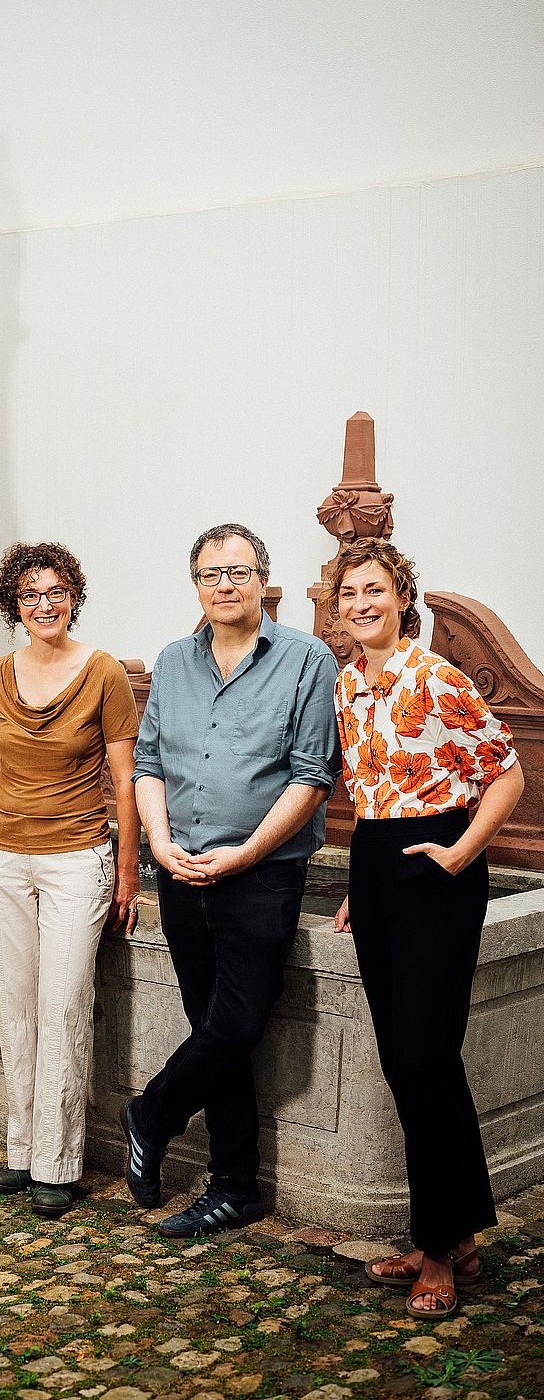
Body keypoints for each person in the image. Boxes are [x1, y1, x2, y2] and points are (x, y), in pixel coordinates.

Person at [325, 537, 524, 1319]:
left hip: (438, 867)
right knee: (415, 1064)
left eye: (374, 589)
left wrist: (463, 852)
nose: (361, 604)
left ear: (403, 597)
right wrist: (357, 884)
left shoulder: (435, 678)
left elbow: (506, 771)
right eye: (348, 595)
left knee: (422, 1059)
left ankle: (436, 1254)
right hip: (378, 865)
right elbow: (368, 794)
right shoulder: (347, 684)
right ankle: (456, 1237)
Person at [123, 523, 340, 1236]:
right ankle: (235, 1186)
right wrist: (157, 841)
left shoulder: (308, 661)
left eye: (239, 572)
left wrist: (244, 854)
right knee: (216, 1029)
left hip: (261, 876)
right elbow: (147, 762)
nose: (225, 584)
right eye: (212, 573)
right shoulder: (173, 661)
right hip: (181, 871)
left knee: (238, 1021)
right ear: (196, 585)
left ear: (262, 582)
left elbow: (313, 777)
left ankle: (151, 1113)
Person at [0, 541, 141, 1219]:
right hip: (4, 858)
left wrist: (127, 873)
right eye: (31, 594)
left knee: (64, 1006)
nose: (45, 605)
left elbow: (125, 779)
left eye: (56, 592)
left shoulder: (103, 674)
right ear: (14, 604)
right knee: (17, 1006)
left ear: (73, 597)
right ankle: (21, 1151)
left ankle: (58, 1165)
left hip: (76, 860)